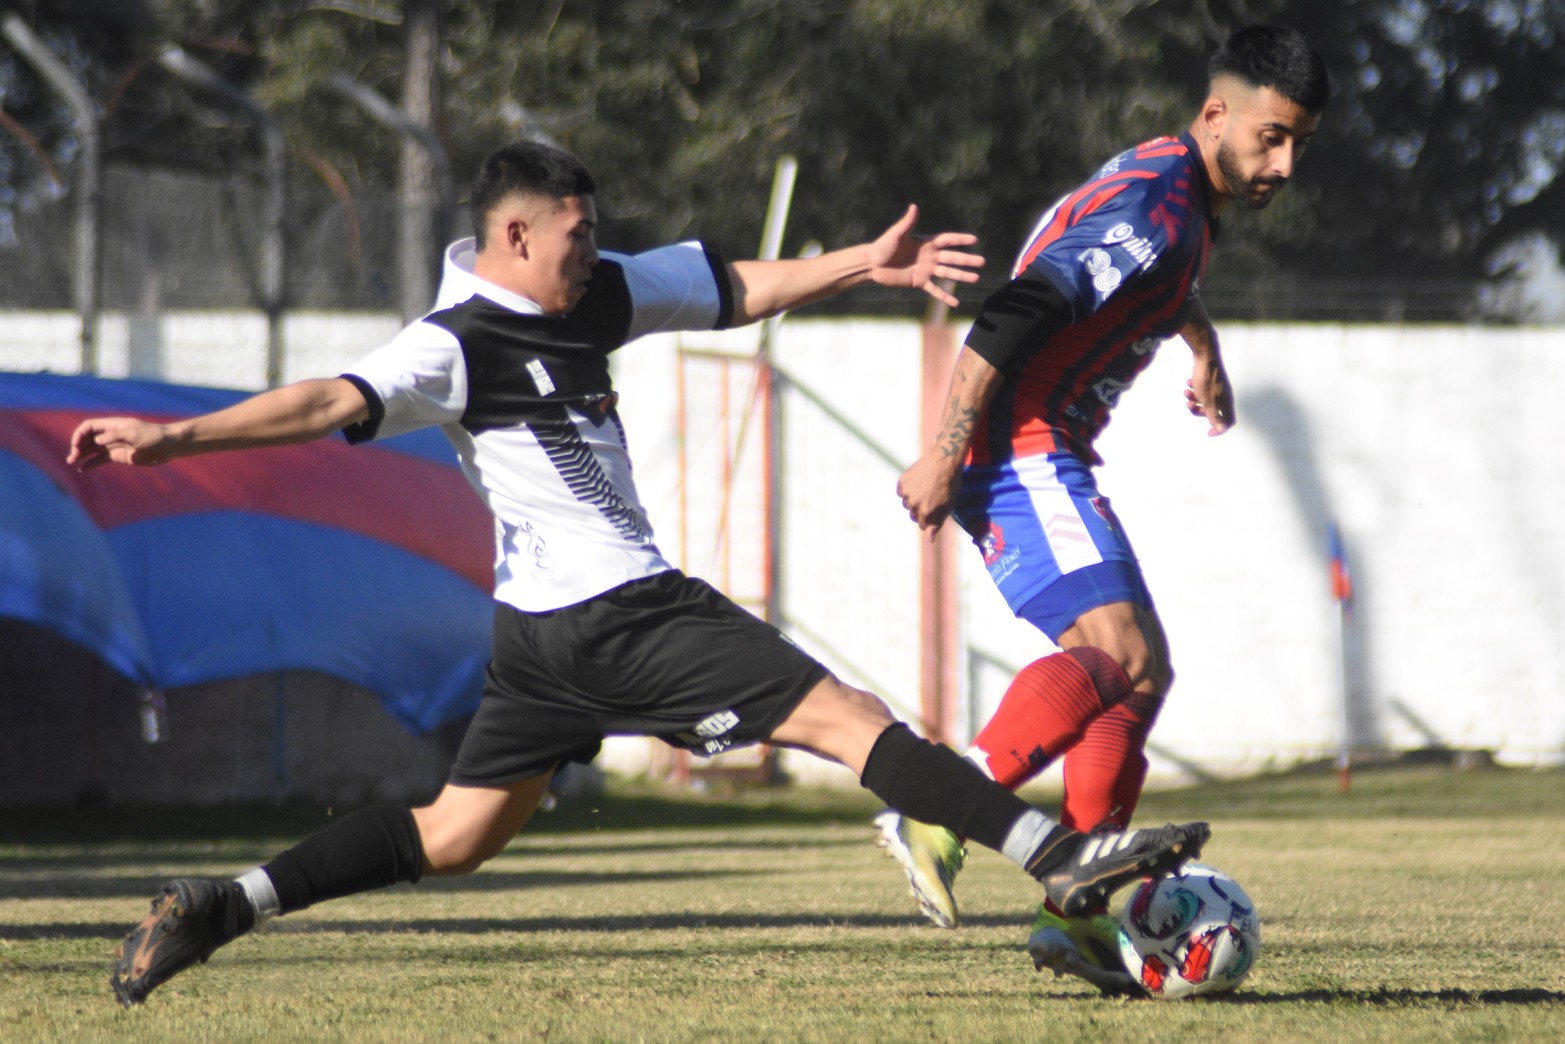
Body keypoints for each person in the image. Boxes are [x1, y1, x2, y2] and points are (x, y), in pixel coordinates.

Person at [74, 140, 1210, 1008]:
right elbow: (328, 400)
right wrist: (174, 440)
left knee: (457, 835)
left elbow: (728, 285)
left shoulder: (597, 289)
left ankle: (227, 904)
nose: (592, 246)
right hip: (624, 611)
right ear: (514, 236)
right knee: (844, 717)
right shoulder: (454, 341)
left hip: (536, 640)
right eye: (575, 233)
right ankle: (1053, 858)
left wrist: (864, 262)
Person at [875, 25, 1328, 991]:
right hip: (1019, 445)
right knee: (1118, 656)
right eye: (1272, 137)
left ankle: (1072, 915)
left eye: (1297, 145)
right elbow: (1016, 309)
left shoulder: (1179, 197)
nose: (1283, 163)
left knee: (1140, 674)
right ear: (1217, 113)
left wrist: (1199, 345)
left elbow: (1146, 284)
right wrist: (946, 451)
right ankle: (942, 807)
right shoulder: (1164, 208)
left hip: (1041, 447)